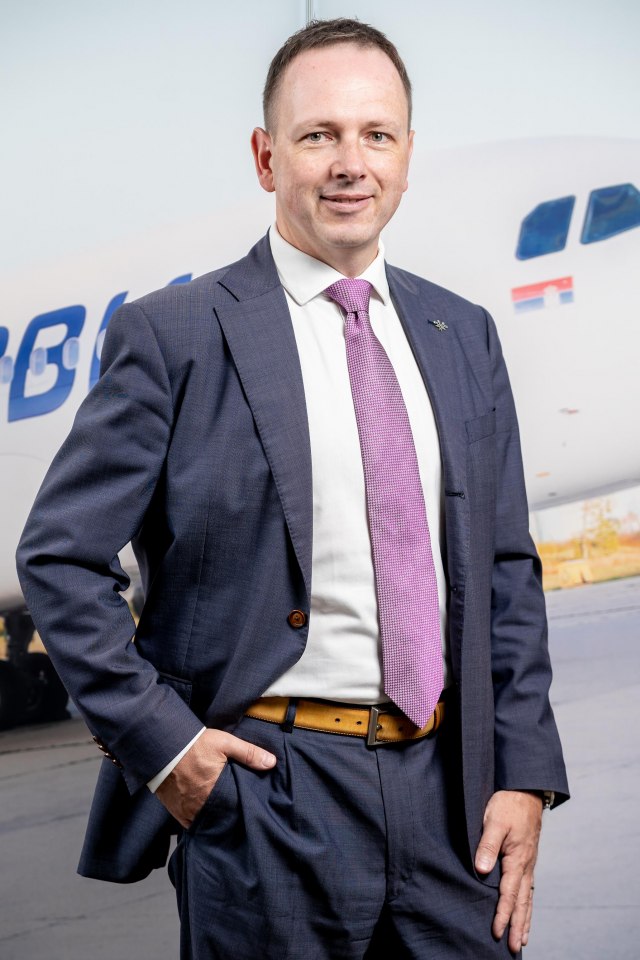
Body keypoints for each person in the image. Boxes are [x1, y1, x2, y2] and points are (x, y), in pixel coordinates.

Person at [17, 17, 568, 960]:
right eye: (320, 135)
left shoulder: (463, 334)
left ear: (405, 155)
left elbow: (505, 572)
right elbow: (60, 558)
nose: (351, 163)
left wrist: (523, 775)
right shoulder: (177, 334)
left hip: (454, 801)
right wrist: (170, 749)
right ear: (267, 157)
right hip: (269, 795)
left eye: (376, 135)